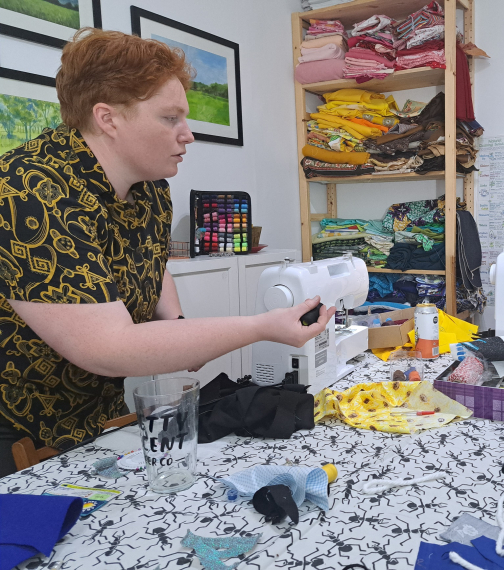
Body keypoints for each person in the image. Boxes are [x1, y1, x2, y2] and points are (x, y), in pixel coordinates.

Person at [0, 29, 335, 477]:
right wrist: (260, 327)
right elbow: (107, 346)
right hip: (15, 430)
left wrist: (176, 325)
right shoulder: (27, 190)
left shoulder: (151, 189)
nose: (188, 135)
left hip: (95, 413)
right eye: (170, 118)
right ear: (108, 118)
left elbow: (151, 266)